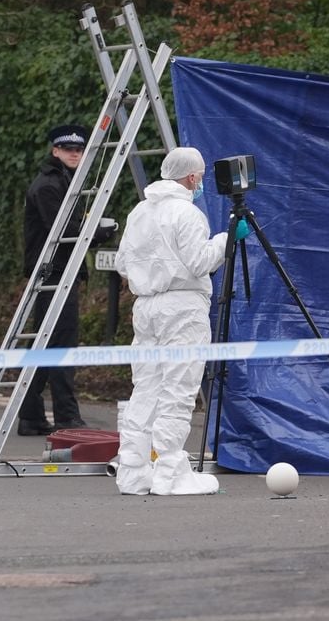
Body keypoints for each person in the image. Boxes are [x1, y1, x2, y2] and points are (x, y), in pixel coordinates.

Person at [114, 146, 250, 496]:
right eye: (201, 177)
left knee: (146, 387)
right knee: (179, 387)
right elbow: (198, 262)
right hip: (182, 308)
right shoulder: (187, 214)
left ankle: (133, 470)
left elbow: (123, 266)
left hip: (145, 307)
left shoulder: (140, 212)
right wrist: (225, 240)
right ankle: (170, 472)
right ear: (192, 177)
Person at [19, 124, 116, 436]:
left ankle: (31, 415)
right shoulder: (50, 185)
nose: (75, 153)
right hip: (54, 273)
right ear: (55, 151)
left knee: (47, 343)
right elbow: (62, 231)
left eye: (79, 149)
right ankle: (66, 417)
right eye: (68, 149)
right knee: (61, 344)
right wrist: (99, 233)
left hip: (58, 272)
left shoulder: (65, 181)